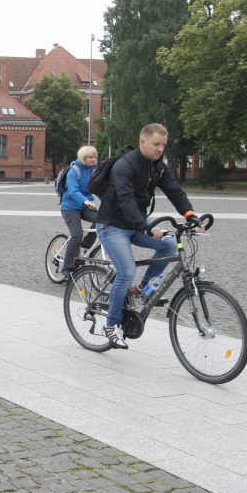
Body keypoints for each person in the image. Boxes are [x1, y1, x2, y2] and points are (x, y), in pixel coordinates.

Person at [96, 123, 202, 349]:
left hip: (135, 225)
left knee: (169, 245)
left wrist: (190, 214)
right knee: (126, 271)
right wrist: (144, 226)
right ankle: (111, 325)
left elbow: (174, 190)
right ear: (142, 141)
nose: (160, 149)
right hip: (112, 226)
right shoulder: (124, 166)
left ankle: (144, 293)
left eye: (163, 145)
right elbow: (125, 200)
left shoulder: (158, 167)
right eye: (156, 144)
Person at [59, 146, 99, 277]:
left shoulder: (94, 171)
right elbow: (73, 191)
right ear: (83, 158)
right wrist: (85, 201)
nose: (93, 159)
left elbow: (100, 189)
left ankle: (87, 243)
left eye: (94, 157)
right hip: (70, 207)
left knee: (104, 218)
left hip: (84, 206)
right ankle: (67, 267)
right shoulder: (74, 171)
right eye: (90, 157)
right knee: (76, 235)